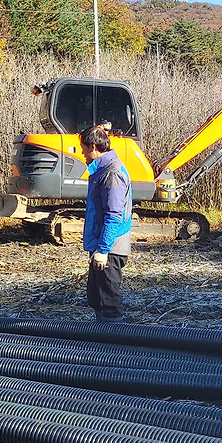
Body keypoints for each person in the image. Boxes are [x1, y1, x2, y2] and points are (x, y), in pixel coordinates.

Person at [80, 124, 132, 322]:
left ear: (93, 146)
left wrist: (103, 250)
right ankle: (101, 344)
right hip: (102, 245)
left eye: (83, 149)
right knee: (97, 298)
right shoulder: (102, 170)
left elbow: (113, 215)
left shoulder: (112, 173)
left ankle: (115, 348)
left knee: (108, 302)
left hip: (111, 247)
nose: (83, 153)